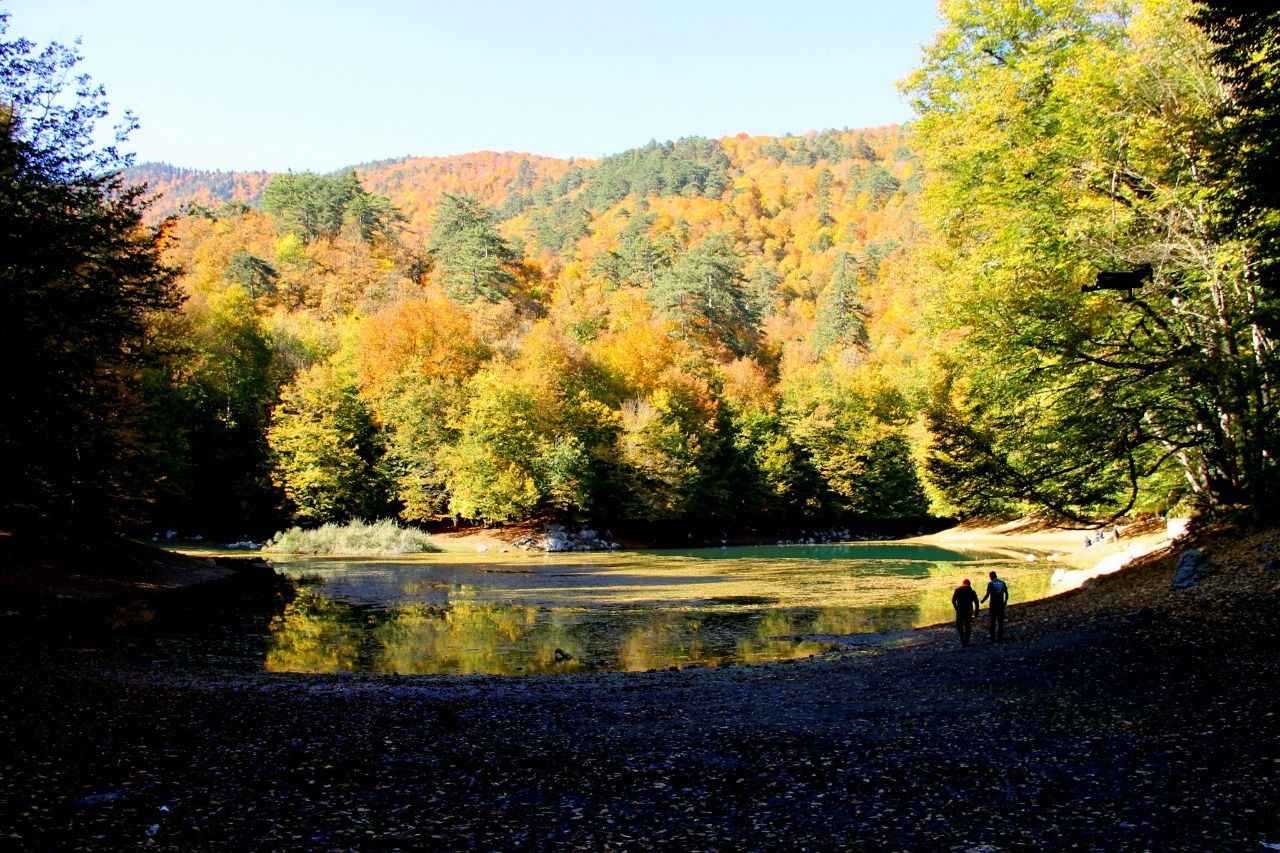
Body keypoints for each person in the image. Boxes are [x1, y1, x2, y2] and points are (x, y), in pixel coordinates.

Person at [981, 570, 1010, 642]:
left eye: (990, 577)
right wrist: (1005, 602)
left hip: (993, 605)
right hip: (1001, 604)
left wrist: (982, 601)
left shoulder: (991, 584)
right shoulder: (1002, 583)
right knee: (1000, 621)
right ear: (996, 576)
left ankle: (993, 637)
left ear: (991, 576)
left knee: (992, 621)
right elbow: (1006, 594)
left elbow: (987, 595)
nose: (990, 578)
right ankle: (1000, 637)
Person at [951, 579, 980, 647]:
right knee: (968, 626)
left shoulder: (957, 590)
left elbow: (953, 601)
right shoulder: (972, 591)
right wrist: (976, 613)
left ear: (963, 583)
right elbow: (976, 603)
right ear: (969, 584)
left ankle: (962, 640)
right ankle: (967, 641)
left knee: (959, 625)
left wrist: (956, 608)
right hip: (968, 610)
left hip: (960, 610)